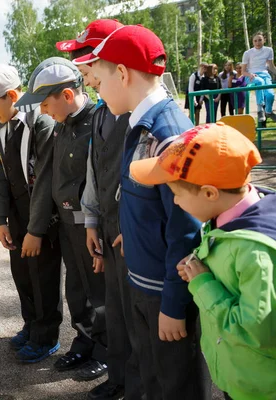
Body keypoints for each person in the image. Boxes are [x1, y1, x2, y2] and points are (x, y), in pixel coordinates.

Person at [79, 24, 211, 399]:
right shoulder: (139, 125)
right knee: (151, 375)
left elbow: (186, 229)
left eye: (99, 78)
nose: (95, 87)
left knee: (175, 382)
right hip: (141, 277)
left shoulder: (166, 133)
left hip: (162, 292)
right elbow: (143, 199)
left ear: (121, 73)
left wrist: (173, 304)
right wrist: (133, 228)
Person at [130, 122, 276, 400]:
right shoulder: (227, 218)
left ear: (210, 193)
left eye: (177, 194)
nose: (174, 203)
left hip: (258, 387)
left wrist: (203, 283)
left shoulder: (254, 252)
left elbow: (258, 332)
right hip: (244, 376)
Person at [15, 57, 108, 380]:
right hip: (69, 224)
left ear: (67, 96)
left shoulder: (98, 121)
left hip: (92, 225)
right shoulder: (61, 127)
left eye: (45, 102)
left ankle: (105, 351)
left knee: (99, 292)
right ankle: (84, 342)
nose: (42, 110)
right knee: (77, 290)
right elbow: (47, 179)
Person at [0, 63, 61, 362]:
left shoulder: (41, 122)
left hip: (42, 213)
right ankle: (32, 324)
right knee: (21, 273)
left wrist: (36, 230)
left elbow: (46, 179)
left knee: (43, 276)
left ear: (12, 96)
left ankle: (46, 335)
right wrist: (0, 220)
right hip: (16, 211)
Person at [72, 18, 143, 400]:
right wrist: (90, 222)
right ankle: (118, 378)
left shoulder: (136, 115)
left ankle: (135, 384)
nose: (88, 80)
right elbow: (94, 174)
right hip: (108, 227)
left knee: (137, 317)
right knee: (115, 311)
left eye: (90, 70)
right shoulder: (102, 113)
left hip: (131, 230)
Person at [241, 31, 276, 123]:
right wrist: (250, 74)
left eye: (260, 40)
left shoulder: (269, 50)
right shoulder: (248, 53)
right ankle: (260, 109)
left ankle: (268, 111)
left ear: (264, 40)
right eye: (255, 41)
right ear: (252, 42)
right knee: (259, 81)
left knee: (270, 95)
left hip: (265, 75)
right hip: (251, 76)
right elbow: (243, 71)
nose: (257, 43)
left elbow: (271, 66)